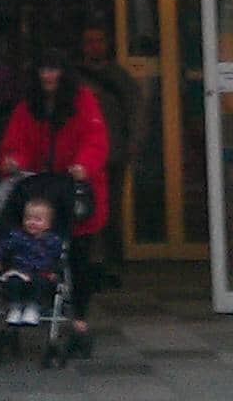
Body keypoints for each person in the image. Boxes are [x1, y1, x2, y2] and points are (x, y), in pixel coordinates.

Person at [0, 50, 109, 350]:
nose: (48, 76)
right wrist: (14, 161)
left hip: (73, 190)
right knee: (22, 247)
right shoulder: (27, 106)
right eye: (44, 69)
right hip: (38, 190)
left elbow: (95, 139)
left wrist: (83, 165)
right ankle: (16, 310)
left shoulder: (82, 101)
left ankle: (79, 320)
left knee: (78, 257)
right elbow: (16, 141)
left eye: (54, 69)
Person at [71, 23, 145, 280]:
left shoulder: (120, 77)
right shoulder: (74, 79)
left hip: (113, 154)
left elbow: (136, 111)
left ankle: (112, 263)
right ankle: (89, 263)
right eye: (89, 40)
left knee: (110, 210)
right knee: (83, 210)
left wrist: (132, 144)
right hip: (83, 159)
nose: (94, 46)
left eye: (99, 40)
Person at [0, 189, 66, 327]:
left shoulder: (53, 241)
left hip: (41, 273)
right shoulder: (17, 236)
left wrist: (56, 272)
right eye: (28, 218)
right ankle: (15, 307)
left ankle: (33, 308)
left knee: (41, 284)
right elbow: (3, 247)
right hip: (20, 270)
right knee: (12, 282)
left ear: (48, 224)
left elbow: (58, 258)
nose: (32, 222)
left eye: (38, 220)